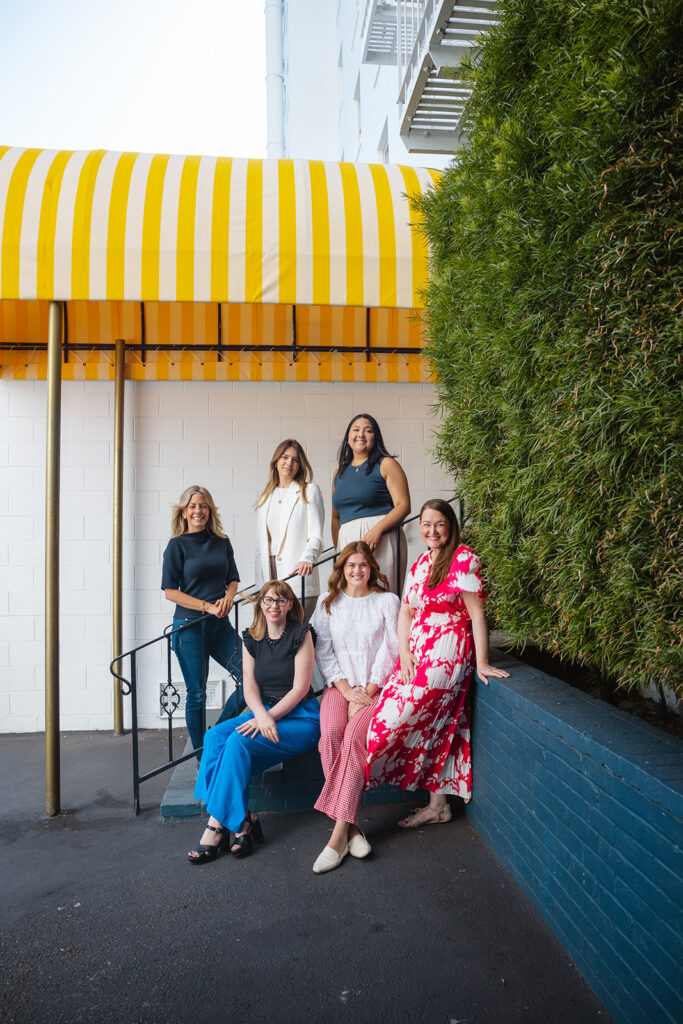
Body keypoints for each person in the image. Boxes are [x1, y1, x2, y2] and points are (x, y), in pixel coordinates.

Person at [365, 498, 510, 826]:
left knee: (396, 719)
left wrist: (482, 661)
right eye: (426, 524)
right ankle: (438, 806)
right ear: (420, 528)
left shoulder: (463, 559)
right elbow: (406, 611)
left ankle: (364, 777)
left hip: (447, 652)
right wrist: (404, 651)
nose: (432, 530)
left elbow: (476, 613)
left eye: (439, 524)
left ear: (450, 526)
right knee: (436, 724)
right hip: (416, 649)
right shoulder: (419, 563)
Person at [188, 581, 320, 864]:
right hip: (263, 712)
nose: (274, 606)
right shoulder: (251, 638)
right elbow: (249, 687)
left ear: (290, 605)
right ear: (261, 604)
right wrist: (260, 714)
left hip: (300, 717)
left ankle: (216, 827)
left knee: (238, 741)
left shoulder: (301, 634)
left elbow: (300, 689)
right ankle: (242, 820)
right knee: (214, 738)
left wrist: (268, 717)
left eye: (281, 601)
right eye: (269, 600)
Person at [310, 542, 399, 873]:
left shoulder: (386, 602)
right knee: (331, 732)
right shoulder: (327, 603)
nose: (357, 571)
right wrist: (346, 689)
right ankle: (353, 826)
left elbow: (392, 648)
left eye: (363, 565)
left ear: (371, 568)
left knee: (353, 739)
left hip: (376, 688)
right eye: (351, 565)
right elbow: (323, 648)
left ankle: (336, 838)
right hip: (339, 685)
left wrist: (369, 689)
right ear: (342, 569)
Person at [161, 486, 243, 760]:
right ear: (184, 511)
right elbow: (170, 591)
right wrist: (207, 606)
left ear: (210, 511)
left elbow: (232, 578)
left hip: (220, 626)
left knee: (252, 678)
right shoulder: (177, 545)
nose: (198, 511)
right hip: (189, 628)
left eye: (204, 506)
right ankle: (201, 757)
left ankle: (215, 734)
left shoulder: (222, 542)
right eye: (193, 506)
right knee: (197, 693)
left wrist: (229, 598)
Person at [331, 414, 410, 594]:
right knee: (349, 598)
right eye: (356, 430)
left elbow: (403, 505)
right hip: (347, 542)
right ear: (348, 438)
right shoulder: (339, 472)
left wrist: (377, 530)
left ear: (376, 437)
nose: (361, 434)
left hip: (381, 539)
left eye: (368, 430)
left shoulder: (386, 464)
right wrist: (340, 550)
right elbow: (336, 517)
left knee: (382, 593)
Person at [255, 439, 324, 618]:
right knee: (275, 636)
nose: (289, 463)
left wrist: (308, 558)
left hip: (297, 574)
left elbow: (316, 535)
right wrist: (259, 585)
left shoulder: (309, 491)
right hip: (270, 575)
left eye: (295, 460)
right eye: (285, 457)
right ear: (276, 461)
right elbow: (260, 545)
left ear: (300, 465)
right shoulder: (265, 497)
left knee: (294, 634)